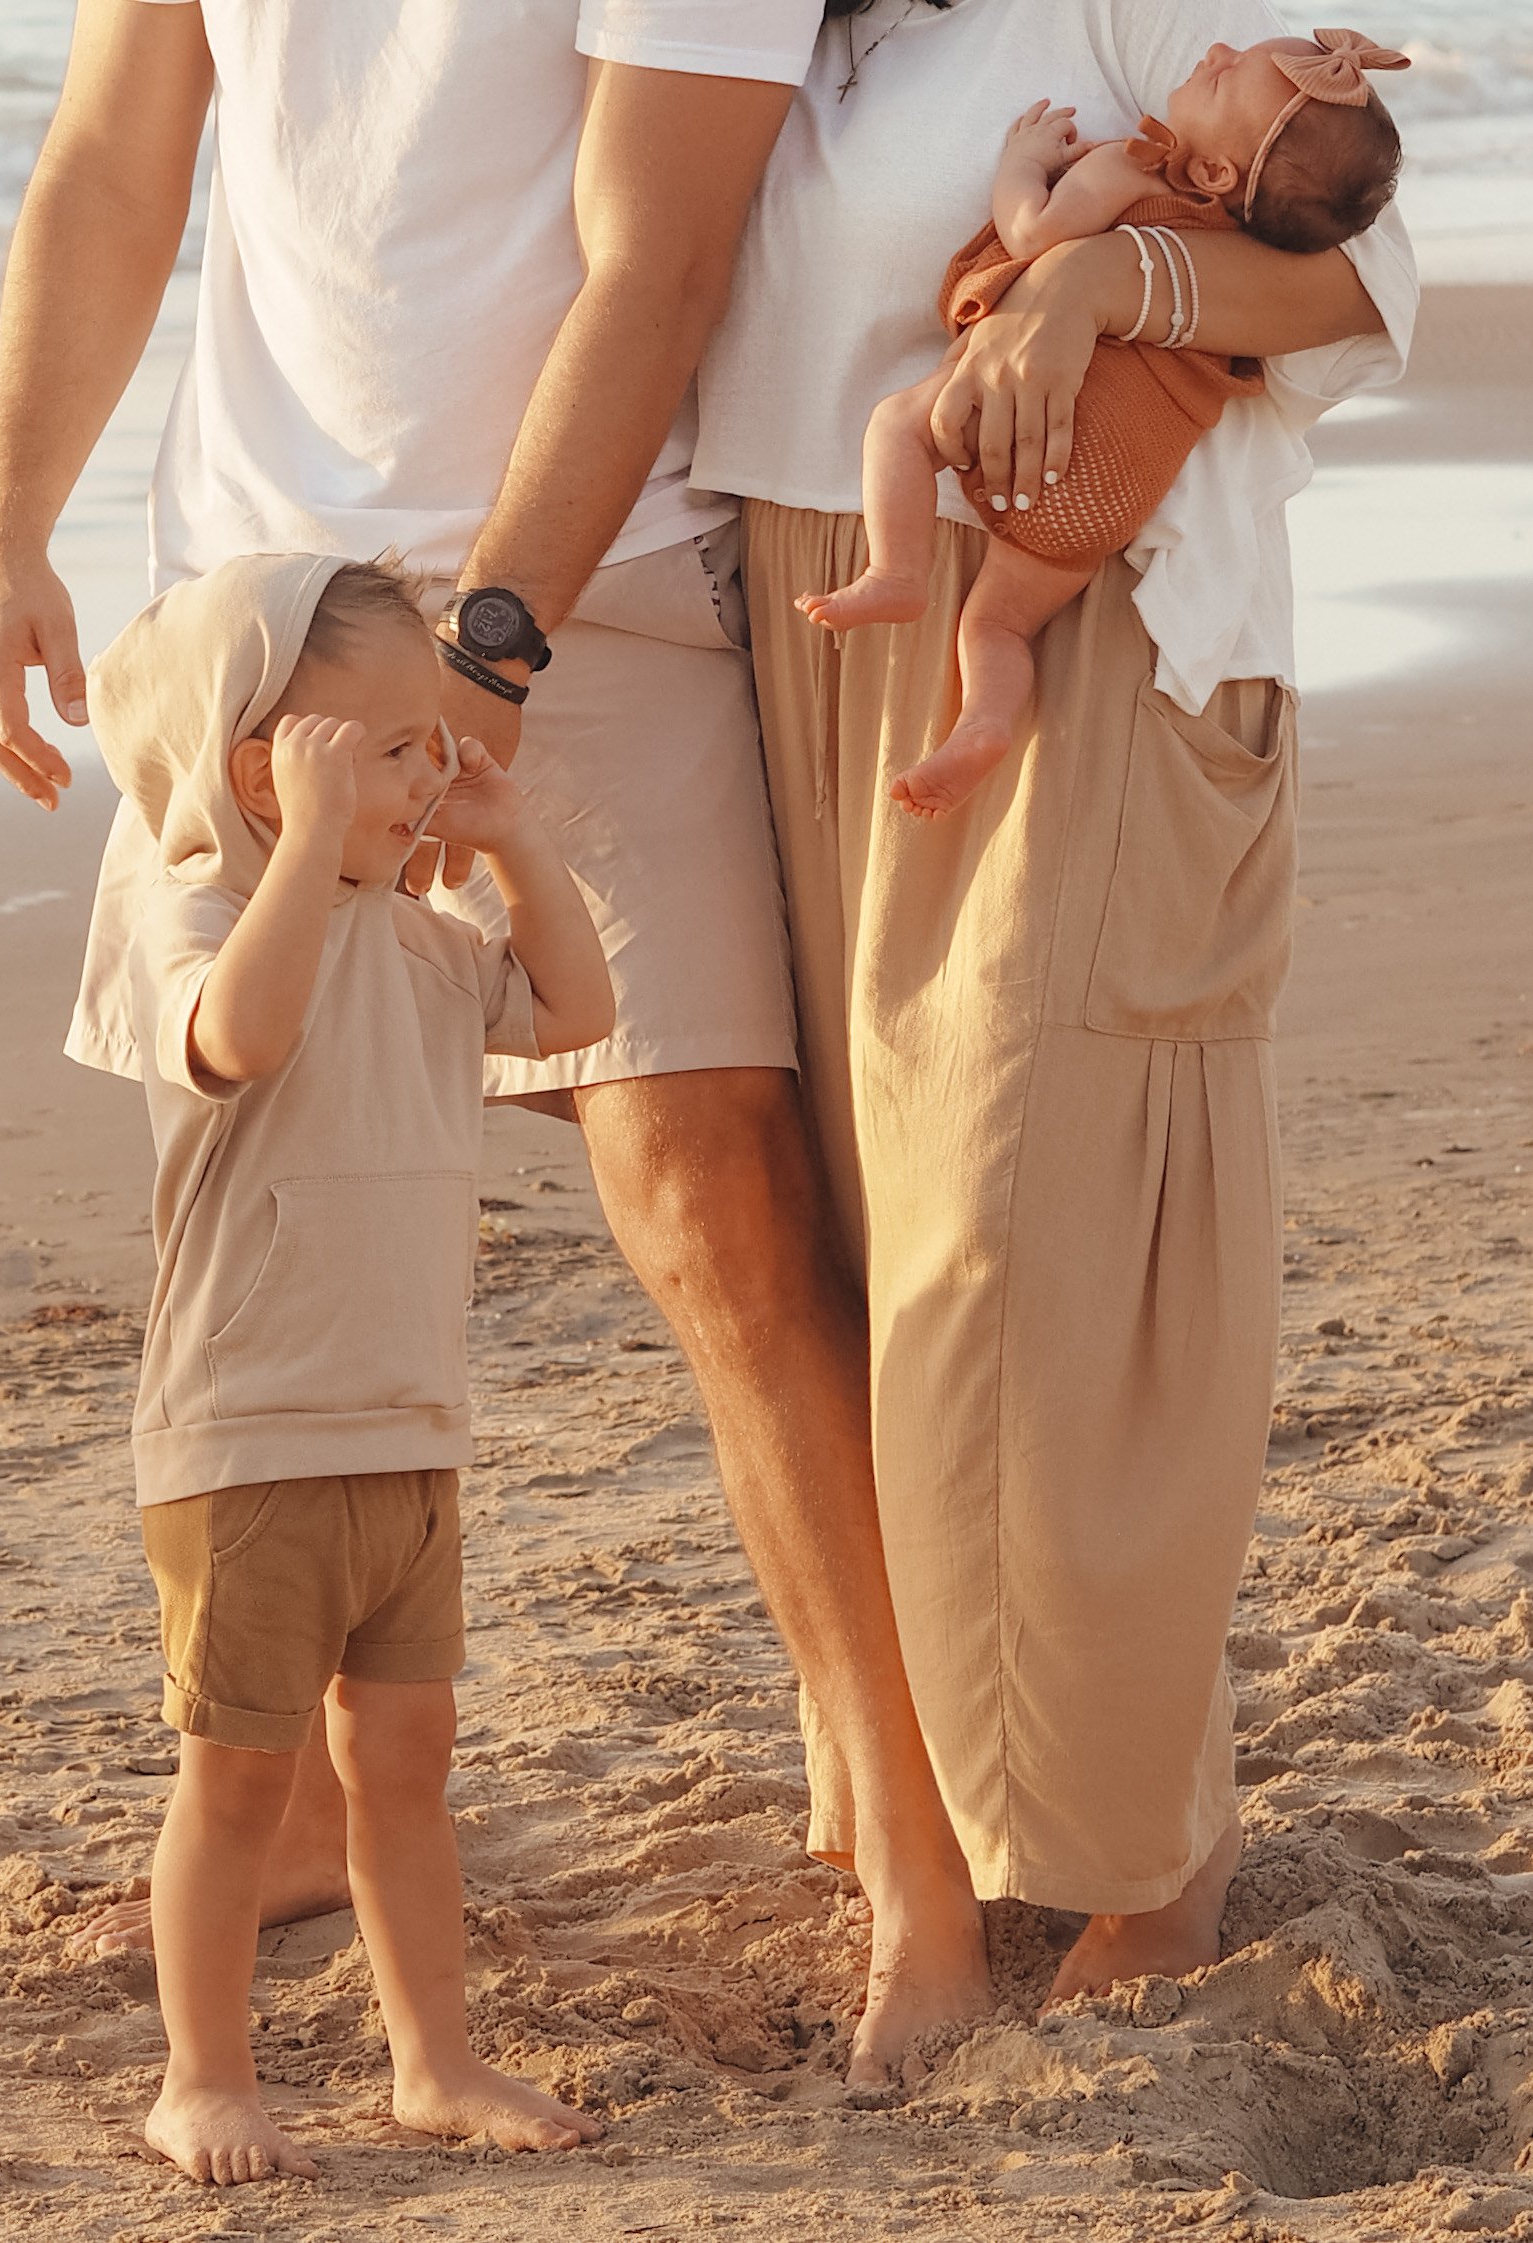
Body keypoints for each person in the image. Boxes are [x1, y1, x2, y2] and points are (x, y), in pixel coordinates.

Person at [0, 0, 987, 2084]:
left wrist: (490, 651)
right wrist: (8, 525)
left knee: (710, 1197)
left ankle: (915, 1842)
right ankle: (308, 1795)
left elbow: (659, 254)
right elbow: (110, 162)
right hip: (247, 607)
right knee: (266, 1220)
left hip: (573, 579)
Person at [694, 0, 1417, 2006]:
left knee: (1047, 1221)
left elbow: (1369, 271)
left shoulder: (1139, 13)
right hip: (821, 587)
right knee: (895, 1218)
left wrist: (1108, 271)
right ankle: (991, 1805)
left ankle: (1151, 1845)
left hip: (1099, 620)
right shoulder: (792, 29)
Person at [91, 549, 614, 2181]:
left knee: (406, 1761)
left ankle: (433, 2057)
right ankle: (202, 2074)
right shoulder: (191, 914)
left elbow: (577, 1008)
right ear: (260, 763)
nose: (427, 770)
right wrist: (310, 849)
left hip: (406, 1424)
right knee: (239, 1778)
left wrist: (515, 845)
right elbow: (238, 1038)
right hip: (246, 1436)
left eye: (428, 739)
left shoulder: (425, 939)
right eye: (384, 744)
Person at [799, 31, 1408, 818]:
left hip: (1031, 415)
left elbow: (1034, 235)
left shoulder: (1132, 165)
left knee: (897, 427)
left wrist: (1023, 160)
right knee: (997, 626)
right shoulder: (1240, 249)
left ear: (1218, 170)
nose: (1215, 49)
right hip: (1112, 497)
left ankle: (896, 572)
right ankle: (981, 726)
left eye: (1224, 77)